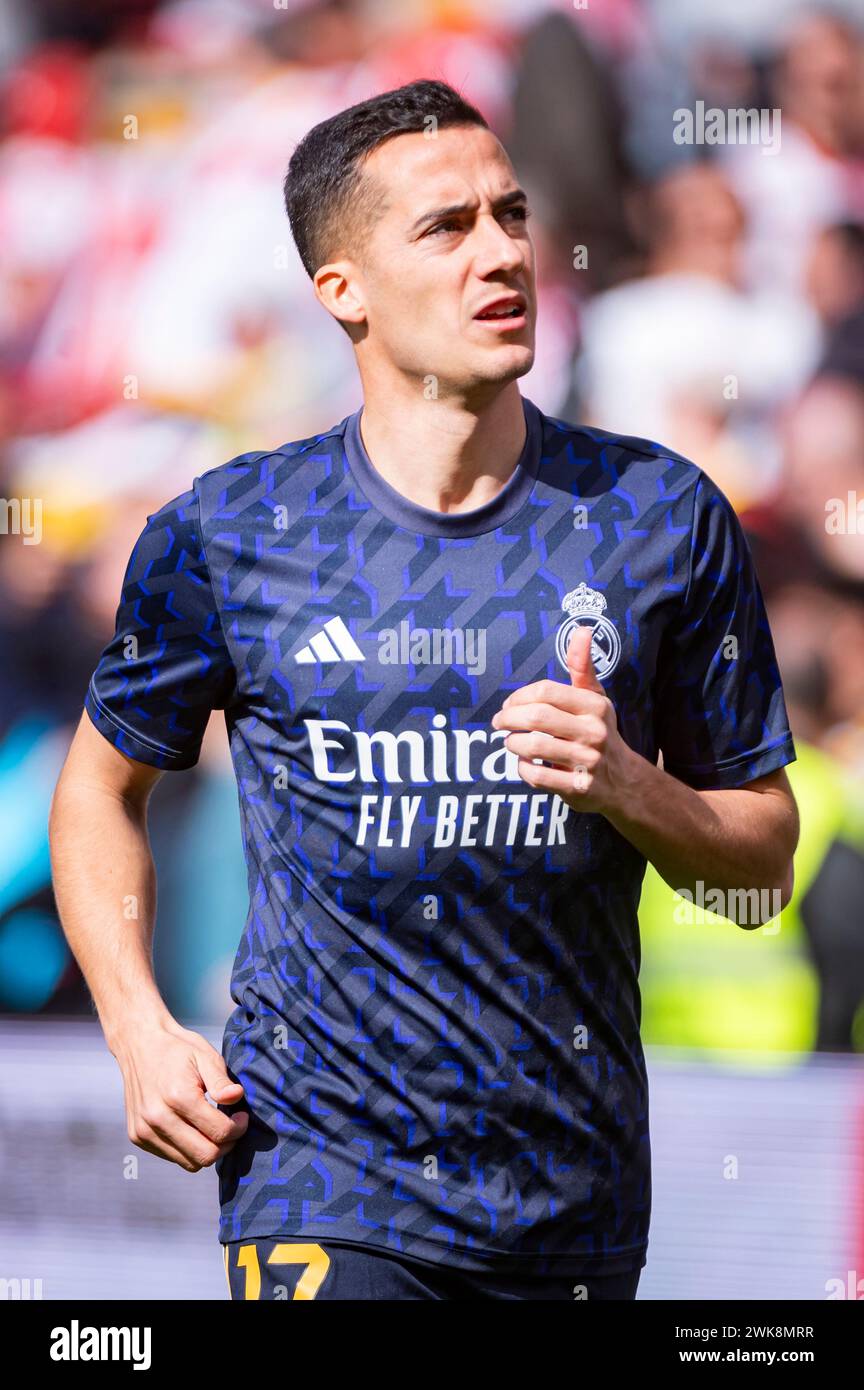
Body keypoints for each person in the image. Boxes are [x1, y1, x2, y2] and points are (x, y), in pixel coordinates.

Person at [49, 79, 799, 1302]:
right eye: (445, 228)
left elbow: (760, 864)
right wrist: (137, 1027)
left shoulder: (660, 517)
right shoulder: (233, 530)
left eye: (510, 214)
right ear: (341, 287)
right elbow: (98, 788)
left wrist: (628, 786)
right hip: (320, 1178)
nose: (503, 251)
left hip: (574, 1198)